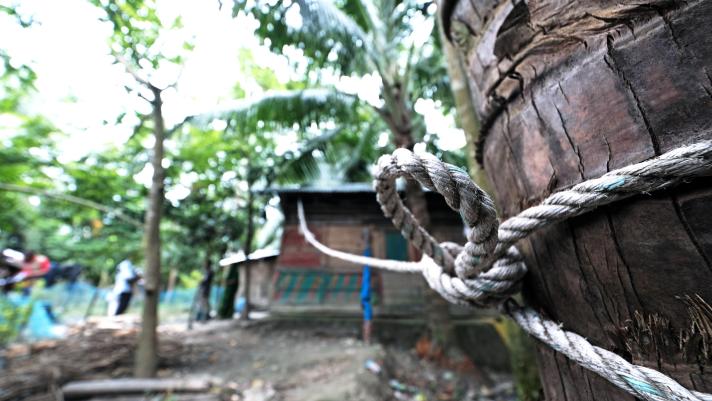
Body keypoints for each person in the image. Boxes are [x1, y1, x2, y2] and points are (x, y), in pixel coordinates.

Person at [360, 228, 374, 344]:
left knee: (368, 319)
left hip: (366, 296)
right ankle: (367, 340)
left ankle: (367, 339)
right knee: (368, 319)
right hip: (366, 297)